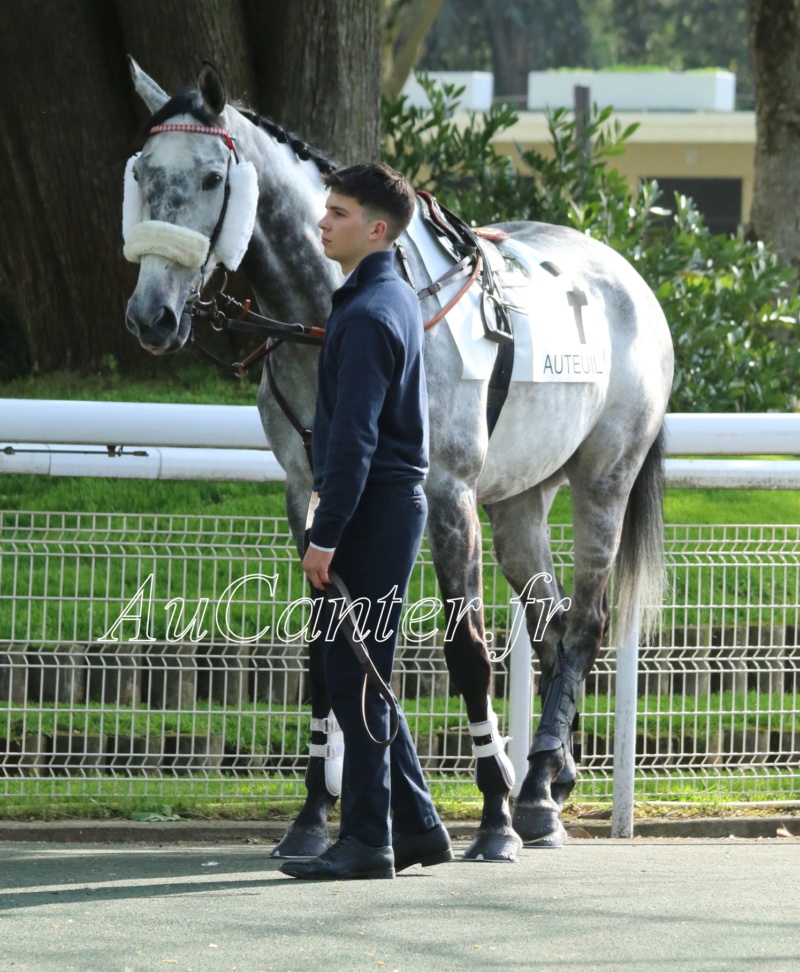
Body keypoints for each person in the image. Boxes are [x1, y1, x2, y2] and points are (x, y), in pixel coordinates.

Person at [279, 163, 453, 881]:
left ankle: (367, 841)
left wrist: (323, 537)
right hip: (382, 505)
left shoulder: (373, 311)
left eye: (339, 213)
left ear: (376, 230)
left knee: (353, 672)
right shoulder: (385, 298)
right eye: (326, 210)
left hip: (373, 512)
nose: (323, 221)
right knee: (366, 670)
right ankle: (418, 828)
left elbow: (352, 443)